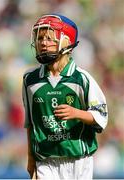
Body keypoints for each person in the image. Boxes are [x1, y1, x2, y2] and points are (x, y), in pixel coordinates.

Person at [22, 14, 108, 180]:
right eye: (39, 38)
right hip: (46, 160)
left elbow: (101, 116)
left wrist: (77, 113)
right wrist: (31, 158)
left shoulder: (81, 78)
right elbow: (31, 124)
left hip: (79, 160)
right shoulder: (30, 80)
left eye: (49, 38)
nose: (43, 43)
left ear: (67, 41)